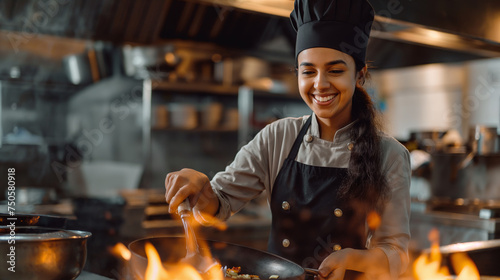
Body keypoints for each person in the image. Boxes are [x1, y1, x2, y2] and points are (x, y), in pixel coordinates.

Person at [164, 0, 411, 279]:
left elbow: (396, 255)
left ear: (359, 76)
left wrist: (353, 258)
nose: (320, 84)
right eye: (308, 71)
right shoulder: (277, 136)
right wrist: (199, 187)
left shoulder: (389, 154)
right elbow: (220, 202)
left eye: (335, 70)